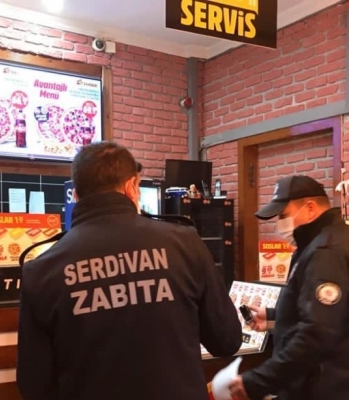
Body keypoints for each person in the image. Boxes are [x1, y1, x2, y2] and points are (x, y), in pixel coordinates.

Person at [16, 141, 242, 400]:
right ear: (131, 186)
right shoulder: (185, 242)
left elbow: (33, 384)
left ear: (76, 195)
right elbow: (226, 340)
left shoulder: (41, 270)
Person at [229, 175, 349, 400]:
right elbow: (336, 314)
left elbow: (317, 333)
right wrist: (274, 317)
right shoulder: (346, 239)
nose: (280, 223)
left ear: (310, 208)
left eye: (284, 215)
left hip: (328, 389)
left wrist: (258, 381)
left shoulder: (326, 252)